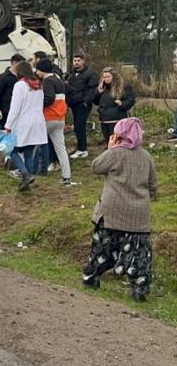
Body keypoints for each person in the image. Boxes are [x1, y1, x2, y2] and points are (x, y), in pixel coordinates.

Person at [82, 118, 156, 302]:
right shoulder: (146, 157)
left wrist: (109, 148)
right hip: (138, 217)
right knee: (138, 256)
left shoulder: (115, 154)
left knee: (103, 250)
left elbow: (96, 167)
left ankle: (91, 277)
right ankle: (139, 288)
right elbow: (153, 185)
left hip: (112, 213)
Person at [4, 61, 47, 190]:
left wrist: (8, 126)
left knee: (11, 150)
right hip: (38, 122)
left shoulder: (19, 86)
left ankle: (25, 174)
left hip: (24, 123)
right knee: (29, 153)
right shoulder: (38, 86)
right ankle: (27, 181)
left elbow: (15, 109)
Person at [35, 58, 72, 186]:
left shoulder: (47, 81)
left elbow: (49, 98)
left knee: (33, 143)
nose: (36, 72)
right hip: (60, 118)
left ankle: (28, 170)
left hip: (48, 118)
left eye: (37, 69)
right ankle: (66, 176)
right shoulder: (59, 81)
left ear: (42, 70)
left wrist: (36, 105)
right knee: (61, 148)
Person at [66, 53, 99, 159]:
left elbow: (92, 90)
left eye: (78, 60)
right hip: (73, 104)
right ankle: (80, 147)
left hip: (83, 104)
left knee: (80, 126)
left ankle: (82, 149)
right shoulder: (71, 74)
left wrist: (86, 102)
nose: (76, 62)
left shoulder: (90, 74)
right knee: (77, 126)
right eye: (74, 60)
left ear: (83, 61)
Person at [94, 67, 136, 143]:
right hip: (104, 119)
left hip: (117, 119)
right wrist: (98, 93)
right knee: (108, 142)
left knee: (117, 142)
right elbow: (95, 102)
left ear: (114, 76)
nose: (106, 79)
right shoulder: (102, 88)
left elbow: (131, 100)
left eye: (108, 77)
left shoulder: (123, 87)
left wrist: (122, 104)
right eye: (104, 77)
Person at [0, 54, 27, 134]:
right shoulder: (3, 77)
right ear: (14, 63)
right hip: (7, 112)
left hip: (21, 112)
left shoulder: (23, 77)